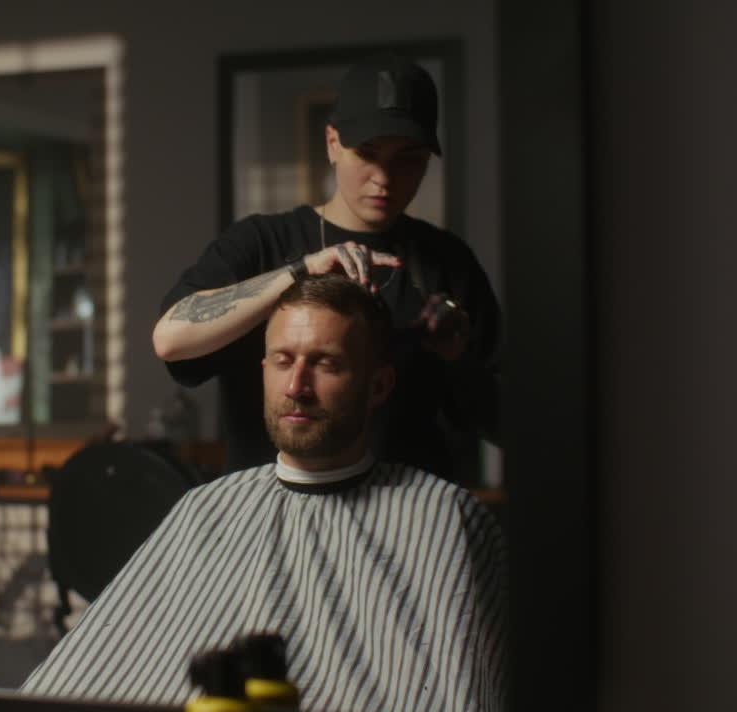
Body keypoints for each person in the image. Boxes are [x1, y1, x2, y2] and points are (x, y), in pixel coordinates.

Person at [23, 275, 507, 712]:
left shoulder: (448, 519)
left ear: (378, 385)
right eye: (283, 361)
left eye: (325, 363)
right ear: (264, 371)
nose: (297, 387)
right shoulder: (204, 509)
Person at [153, 53, 500, 480]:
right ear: (333, 143)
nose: (384, 177)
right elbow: (171, 338)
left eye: (407, 158)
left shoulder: (446, 261)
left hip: (406, 523)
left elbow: (506, 424)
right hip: (274, 521)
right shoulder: (262, 243)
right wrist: (299, 272)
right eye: (367, 154)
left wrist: (459, 357)